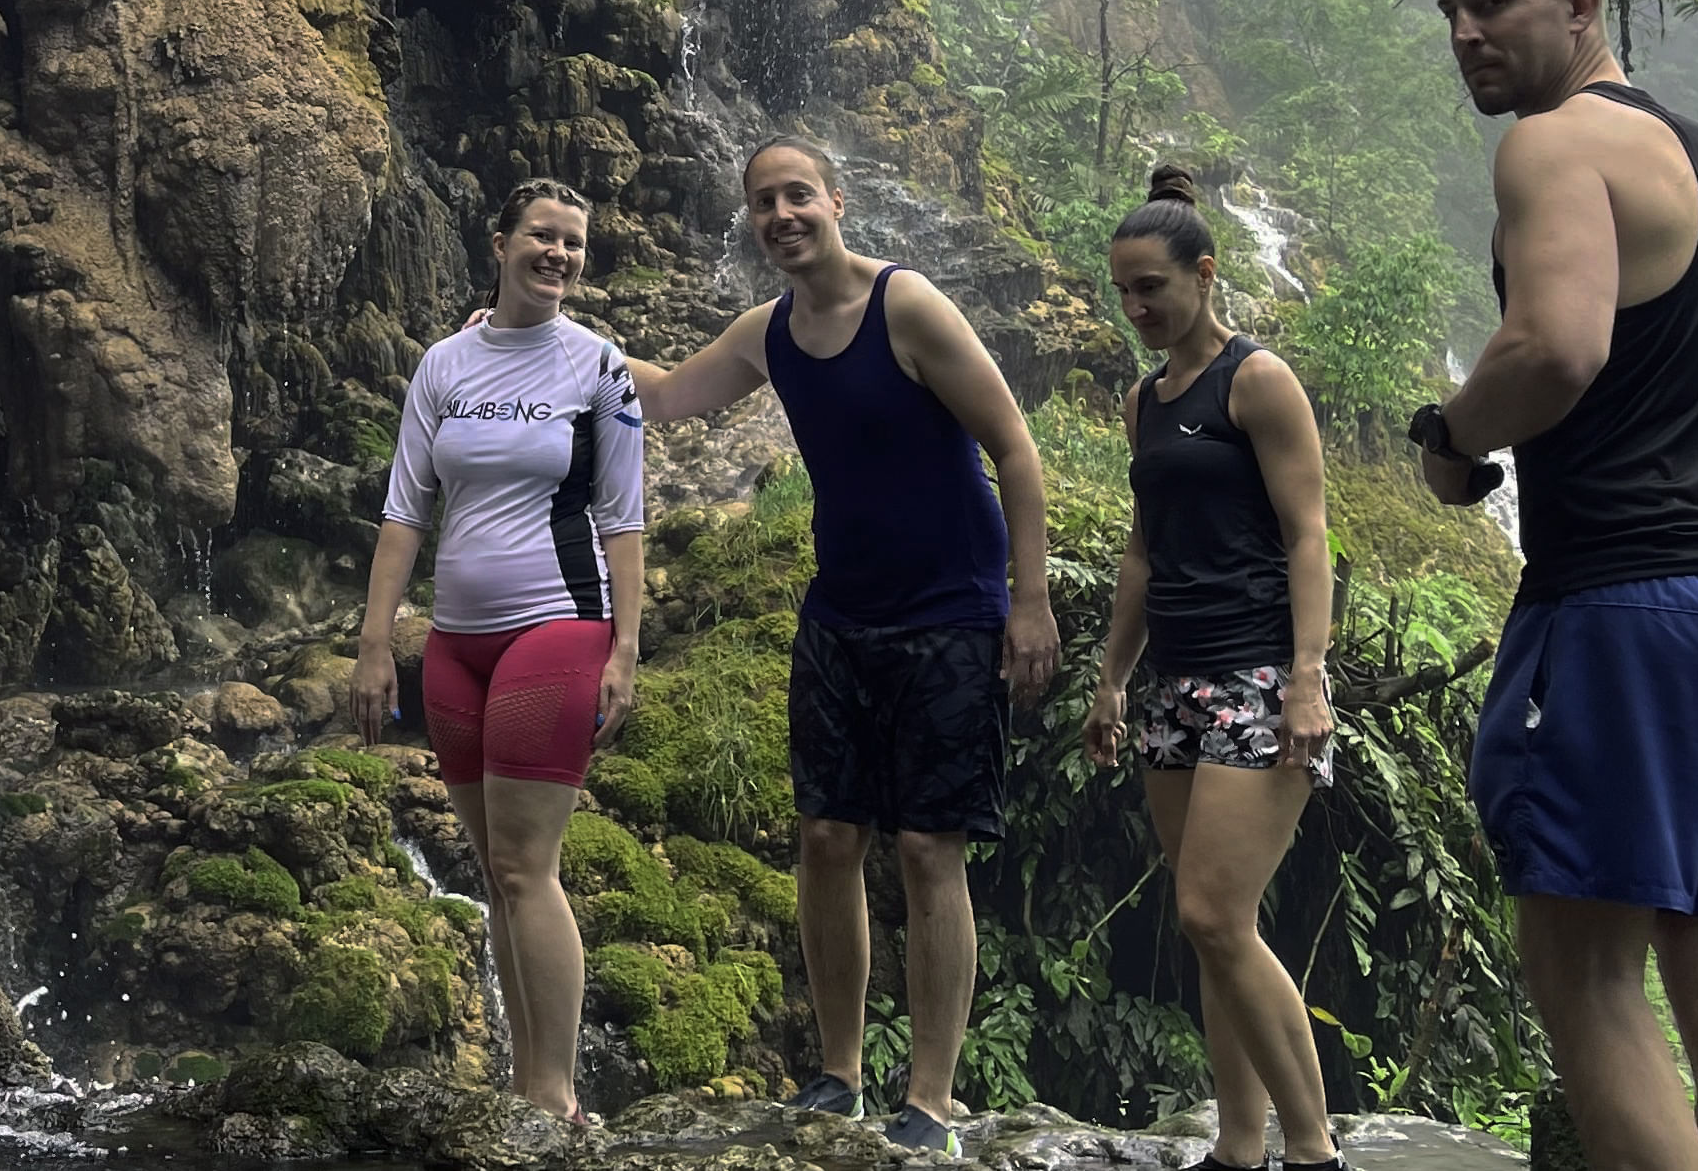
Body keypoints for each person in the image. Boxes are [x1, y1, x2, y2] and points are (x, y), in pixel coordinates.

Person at [1407, 0, 1698, 1171]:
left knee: (1585, 979)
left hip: (1627, 604)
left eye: (1495, 3)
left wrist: (1450, 437)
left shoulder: (1552, 143)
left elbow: (1555, 345)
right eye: (1452, 13)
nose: (1468, 32)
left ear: (1582, 7)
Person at [629, 137, 1059, 1158]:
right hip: (840, 615)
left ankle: (935, 1099)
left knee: (926, 849)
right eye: (763, 203)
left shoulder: (906, 307)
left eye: (797, 196)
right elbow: (665, 396)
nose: (782, 215)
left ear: (836, 199)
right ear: (751, 219)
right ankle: (838, 1073)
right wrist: (548, 333)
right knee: (827, 838)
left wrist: (1028, 601)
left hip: (952, 611)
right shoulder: (767, 332)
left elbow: (1014, 446)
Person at [348, 179, 647, 1130]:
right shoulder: (444, 362)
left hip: (556, 628)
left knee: (528, 867)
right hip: (454, 647)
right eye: (541, 237)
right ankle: (528, 1083)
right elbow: (405, 510)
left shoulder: (598, 367)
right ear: (501, 242)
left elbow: (624, 517)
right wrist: (372, 647)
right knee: (496, 873)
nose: (556, 254)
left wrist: (626, 648)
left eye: (573, 243)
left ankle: (555, 1094)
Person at [1085, 167, 1343, 1171]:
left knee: (1214, 913)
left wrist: (1308, 677)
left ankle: (1314, 1151)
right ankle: (1240, 1146)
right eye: (1124, 293)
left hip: (1257, 680)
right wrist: (1112, 681)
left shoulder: (1257, 380)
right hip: (1173, 686)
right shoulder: (1145, 403)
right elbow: (1143, 552)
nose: (1138, 308)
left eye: (1152, 287)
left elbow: (1308, 534)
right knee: (1212, 933)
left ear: (1204, 274)